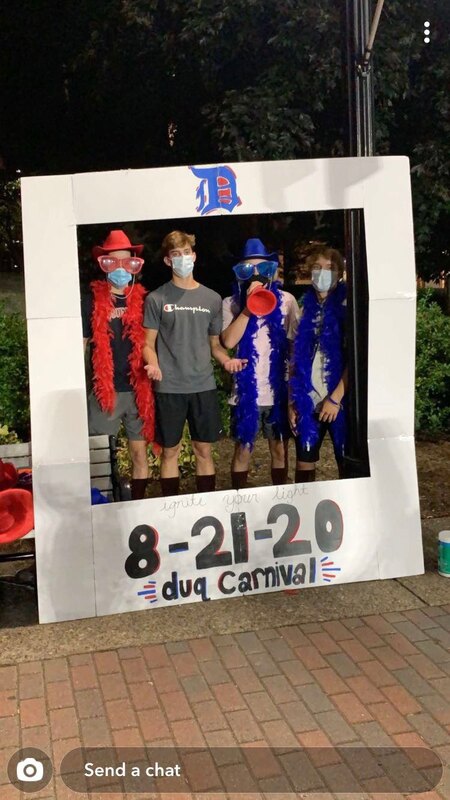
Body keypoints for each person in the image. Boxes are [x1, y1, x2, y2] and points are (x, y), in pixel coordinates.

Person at [143, 230, 246, 497]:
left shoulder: (211, 298)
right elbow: (147, 343)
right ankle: (171, 505)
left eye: (185, 253)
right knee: (170, 451)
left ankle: (206, 503)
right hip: (169, 388)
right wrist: (153, 365)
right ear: (168, 261)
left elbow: (215, 345)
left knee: (204, 450)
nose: (182, 259)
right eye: (175, 255)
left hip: (202, 386)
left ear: (194, 256)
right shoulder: (156, 299)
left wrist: (226, 361)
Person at [82, 230, 155, 501]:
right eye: (113, 262)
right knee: (102, 457)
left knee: (139, 454)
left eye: (127, 262)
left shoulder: (145, 301)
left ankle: (137, 507)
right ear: (104, 264)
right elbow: (82, 343)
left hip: (138, 390)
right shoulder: (90, 302)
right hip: (104, 392)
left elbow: (151, 342)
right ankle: (102, 506)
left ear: (134, 264)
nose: (121, 269)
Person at [221, 238, 300, 489]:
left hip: (277, 392)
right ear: (240, 274)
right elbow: (227, 342)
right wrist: (248, 307)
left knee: (279, 450)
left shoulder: (287, 301)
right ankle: (238, 500)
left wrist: (294, 394)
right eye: (248, 269)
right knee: (243, 451)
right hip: (245, 395)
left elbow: (296, 347)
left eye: (263, 269)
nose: (256, 274)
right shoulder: (231, 304)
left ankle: (281, 498)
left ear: (271, 272)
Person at [289, 244, 347, 482]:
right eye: (317, 267)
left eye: (329, 268)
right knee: (304, 464)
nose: (322, 272)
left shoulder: (348, 308)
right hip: (308, 400)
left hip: (339, 401)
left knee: (346, 461)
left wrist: (335, 399)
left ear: (339, 273)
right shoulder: (304, 310)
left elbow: (356, 359)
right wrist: (292, 400)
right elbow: (295, 357)